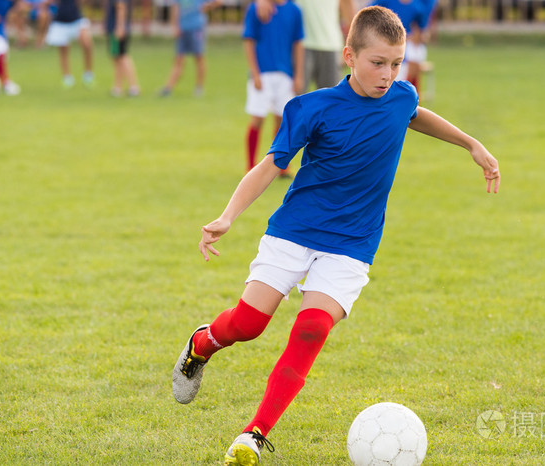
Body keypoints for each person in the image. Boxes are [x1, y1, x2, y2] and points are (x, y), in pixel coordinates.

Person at [172, 6, 500, 465]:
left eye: (396, 63)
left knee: (310, 329)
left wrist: (471, 144)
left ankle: (253, 435)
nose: (388, 75)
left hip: (352, 244)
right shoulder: (313, 108)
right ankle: (202, 343)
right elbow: (270, 166)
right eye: (377, 63)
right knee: (249, 324)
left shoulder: (400, 96)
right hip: (295, 231)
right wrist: (227, 217)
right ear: (349, 55)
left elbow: (415, 112)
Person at [241, 0, 304, 174]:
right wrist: (254, 73)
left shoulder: (294, 10)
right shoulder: (256, 8)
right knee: (258, 119)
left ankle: (280, 166)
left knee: (282, 121)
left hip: (285, 74)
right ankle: (250, 165)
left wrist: (298, 75)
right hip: (262, 73)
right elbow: (249, 40)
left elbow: (298, 44)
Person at [255, 0, 356, 93]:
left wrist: (352, 46)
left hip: (331, 45)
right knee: (295, 98)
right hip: (301, 45)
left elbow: (347, 4)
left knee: (332, 103)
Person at [158, 0, 221, 97]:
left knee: (199, 58)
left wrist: (207, 7)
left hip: (196, 28)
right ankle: (168, 88)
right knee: (178, 59)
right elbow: (175, 9)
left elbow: (219, 2)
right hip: (183, 29)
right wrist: (174, 26)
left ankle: (199, 88)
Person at [370, 0, 428, 91]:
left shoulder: (417, 7)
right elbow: (369, 14)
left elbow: (420, 30)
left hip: (405, 45)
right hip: (384, 43)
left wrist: (411, 38)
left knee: (405, 79)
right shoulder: (385, 2)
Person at [44, 0, 94, 88]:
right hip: (60, 21)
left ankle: (88, 73)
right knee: (64, 51)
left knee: (87, 44)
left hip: (77, 18)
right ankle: (67, 77)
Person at [105, 0, 140, 96]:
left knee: (123, 56)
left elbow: (121, 7)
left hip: (117, 30)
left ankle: (133, 87)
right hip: (114, 28)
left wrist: (120, 27)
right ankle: (118, 87)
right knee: (116, 58)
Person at [0, 0, 21, 95]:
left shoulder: (6, 2)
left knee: (2, 54)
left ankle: (6, 82)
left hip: (0, 32)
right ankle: (6, 82)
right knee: (1, 51)